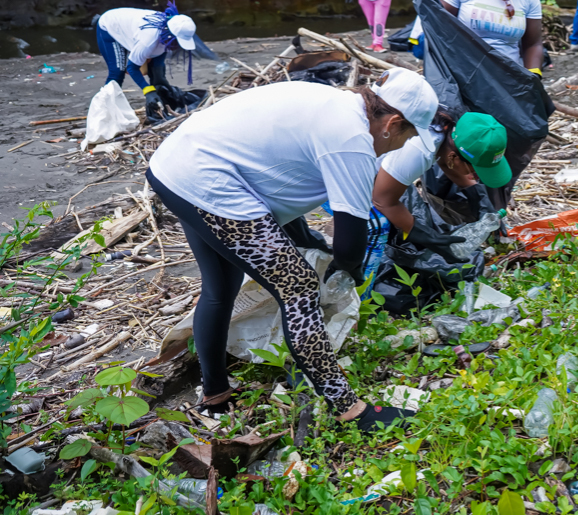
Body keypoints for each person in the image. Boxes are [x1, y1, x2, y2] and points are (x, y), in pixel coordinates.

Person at [146, 68, 438, 432]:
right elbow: (350, 241)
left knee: (221, 287)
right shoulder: (353, 140)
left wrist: (312, 243)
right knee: (299, 288)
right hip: (207, 177)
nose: (401, 146)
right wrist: (350, 272)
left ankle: (215, 395)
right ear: (392, 124)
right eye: (407, 137)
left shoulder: (336, 104)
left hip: (177, 163)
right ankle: (349, 410)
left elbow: (276, 176)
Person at [440, 0, 546, 211]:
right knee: (458, 141)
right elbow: (440, 27)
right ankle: (455, 204)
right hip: (460, 79)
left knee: (498, 144)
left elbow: (533, 43)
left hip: (504, 83)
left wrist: (532, 75)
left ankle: (496, 205)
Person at [373, 110, 508, 258]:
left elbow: (446, 160)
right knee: (380, 228)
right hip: (356, 174)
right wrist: (425, 235)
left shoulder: (448, 133)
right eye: (475, 171)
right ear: (454, 157)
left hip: (384, 176)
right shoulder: (419, 152)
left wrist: (480, 199)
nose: (475, 177)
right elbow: (382, 200)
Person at [96, 1, 197, 120]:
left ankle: (160, 109)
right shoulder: (148, 40)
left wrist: (160, 80)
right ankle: (105, 113)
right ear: (170, 35)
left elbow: (159, 56)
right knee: (117, 72)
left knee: (158, 77)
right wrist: (148, 91)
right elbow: (132, 68)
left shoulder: (169, 31)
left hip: (134, 29)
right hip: (109, 26)